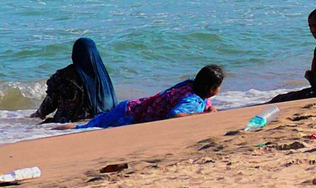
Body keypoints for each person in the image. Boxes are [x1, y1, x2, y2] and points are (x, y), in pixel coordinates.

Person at [83, 65, 226, 128]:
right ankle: (61, 129)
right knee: (84, 129)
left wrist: (210, 107)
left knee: (89, 126)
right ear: (212, 89)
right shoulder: (192, 99)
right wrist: (203, 116)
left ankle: (62, 129)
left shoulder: (192, 85)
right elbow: (174, 116)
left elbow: (204, 100)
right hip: (128, 114)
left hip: (131, 107)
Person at [32, 38, 117, 123]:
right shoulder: (103, 77)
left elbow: (50, 103)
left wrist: (38, 114)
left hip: (69, 123)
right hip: (100, 121)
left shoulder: (64, 75)